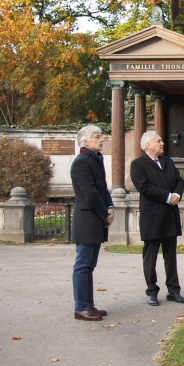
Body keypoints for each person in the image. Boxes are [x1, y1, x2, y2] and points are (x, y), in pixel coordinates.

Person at [130, 131, 184, 306]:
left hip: (170, 215)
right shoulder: (138, 164)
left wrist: (177, 194)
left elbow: (180, 180)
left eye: (162, 140)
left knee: (171, 255)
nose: (162, 143)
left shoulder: (168, 162)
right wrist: (167, 196)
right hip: (152, 217)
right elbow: (144, 187)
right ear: (148, 145)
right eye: (159, 141)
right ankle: (152, 292)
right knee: (150, 256)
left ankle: (173, 291)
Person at [70, 125, 114, 321]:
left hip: (95, 217)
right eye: (97, 137)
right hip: (87, 218)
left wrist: (110, 207)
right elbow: (90, 193)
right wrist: (105, 213)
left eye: (101, 137)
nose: (101, 140)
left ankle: (89, 305)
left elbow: (103, 189)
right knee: (83, 264)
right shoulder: (81, 162)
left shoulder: (96, 159)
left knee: (89, 265)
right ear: (85, 142)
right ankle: (81, 307)